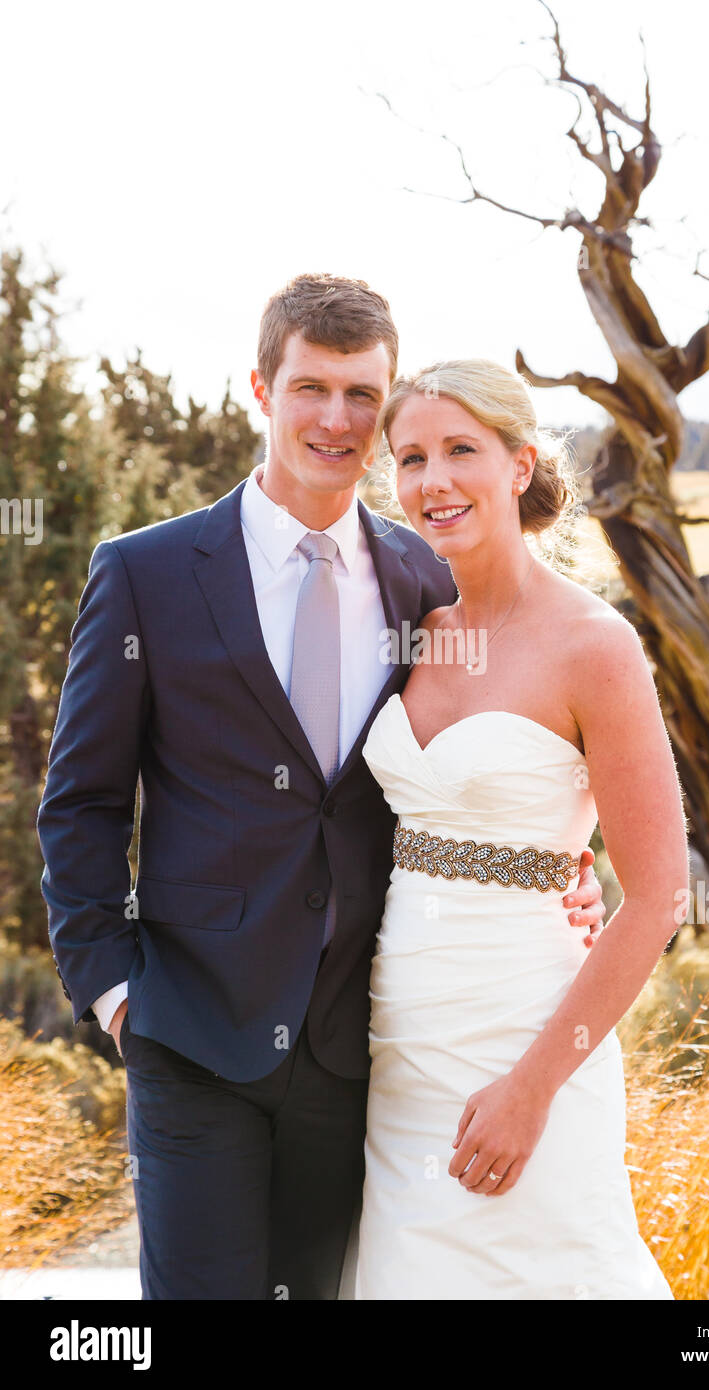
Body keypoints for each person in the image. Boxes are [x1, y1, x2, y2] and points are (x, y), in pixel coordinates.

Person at [36, 275, 606, 1300]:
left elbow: (505, 741)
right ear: (262, 388)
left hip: (362, 1047)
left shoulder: (422, 578)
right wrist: (113, 990)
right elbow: (79, 801)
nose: (336, 420)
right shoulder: (146, 573)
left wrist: (567, 861)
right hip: (190, 1031)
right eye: (311, 388)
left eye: (360, 396)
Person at [353, 358, 689, 1299]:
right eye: (411, 457)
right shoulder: (412, 628)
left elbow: (659, 893)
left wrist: (533, 1089)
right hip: (398, 1050)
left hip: (528, 1043)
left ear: (519, 464)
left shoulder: (595, 645)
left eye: (462, 450)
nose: (433, 480)